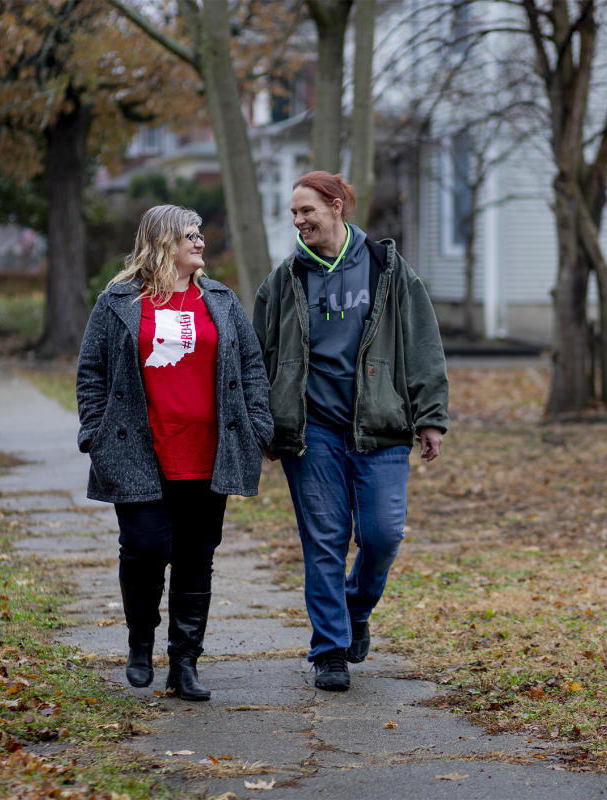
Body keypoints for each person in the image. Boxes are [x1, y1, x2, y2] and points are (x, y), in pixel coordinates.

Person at [252, 171, 449, 691]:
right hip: (310, 432)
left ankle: (355, 607)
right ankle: (330, 651)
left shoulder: (387, 269)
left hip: (380, 426)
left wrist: (431, 416)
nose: (298, 222)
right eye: (294, 214)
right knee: (324, 541)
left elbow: (423, 344)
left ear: (336, 206)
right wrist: (263, 422)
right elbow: (258, 355)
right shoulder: (286, 277)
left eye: (306, 211)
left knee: (383, 536)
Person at [76, 204, 273, 701]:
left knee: (196, 558)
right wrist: (94, 433)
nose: (201, 242)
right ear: (162, 242)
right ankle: (140, 641)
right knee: (145, 550)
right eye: (190, 235)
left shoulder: (221, 301)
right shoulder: (118, 301)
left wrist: (258, 426)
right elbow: (91, 372)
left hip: (210, 451)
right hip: (139, 450)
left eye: (201, 233)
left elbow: (251, 366)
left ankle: (184, 663)